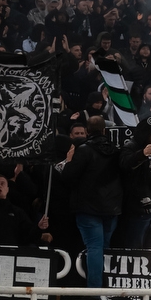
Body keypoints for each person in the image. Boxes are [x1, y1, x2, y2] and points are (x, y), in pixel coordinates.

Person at [58, 116, 122, 289]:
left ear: (87, 131)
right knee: (104, 249)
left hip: (88, 208)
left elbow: (68, 177)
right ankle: (108, 289)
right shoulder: (116, 150)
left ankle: (95, 291)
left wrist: (68, 162)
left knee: (94, 248)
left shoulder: (84, 150)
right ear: (104, 131)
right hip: (112, 208)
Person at [119, 117, 151, 249]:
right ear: (146, 132)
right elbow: (125, 165)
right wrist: (142, 154)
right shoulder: (130, 147)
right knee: (134, 254)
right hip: (138, 212)